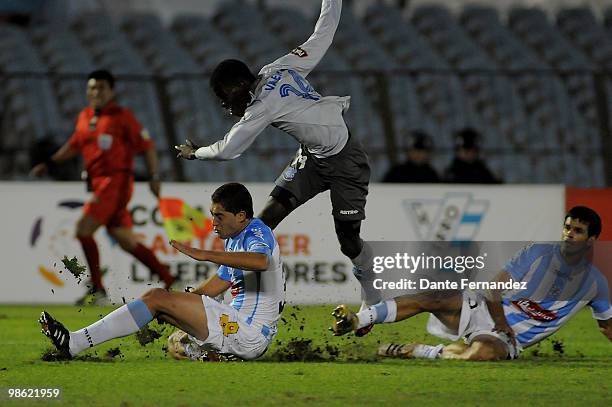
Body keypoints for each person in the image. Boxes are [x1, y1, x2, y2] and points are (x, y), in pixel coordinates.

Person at [176, 0, 378, 334]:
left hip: (346, 162)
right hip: (312, 159)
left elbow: (229, 150)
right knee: (262, 222)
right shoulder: (279, 69)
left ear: (238, 87)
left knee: (349, 241)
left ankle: (371, 296)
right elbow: (322, 35)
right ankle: (261, 295)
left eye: (225, 98)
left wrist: (196, 153)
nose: (227, 106)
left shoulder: (261, 107)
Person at [39, 182, 286, 361]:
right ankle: (214, 357)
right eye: (212, 215)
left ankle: (77, 342)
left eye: (219, 216)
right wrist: (186, 299)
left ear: (241, 216)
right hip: (239, 328)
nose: (213, 223)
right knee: (168, 327)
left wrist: (204, 254)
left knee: (157, 298)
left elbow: (262, 260)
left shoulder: (257, 232)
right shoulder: (235, 239)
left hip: (249, 331)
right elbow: (216, 286)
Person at [331, 206, 612, 360]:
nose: (569, 234)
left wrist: (502, 329)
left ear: (591, 240)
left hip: (505, 338)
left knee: (481, 354)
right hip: (488, 311)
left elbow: (606, 327)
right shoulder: (538, 252)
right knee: (435, 297)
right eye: (567, 228)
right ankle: (358, 319)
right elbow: (493, 289)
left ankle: (418, 350)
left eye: (578, 231)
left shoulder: (596, 285)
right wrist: (500, 321)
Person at [30, 69, 175, 305]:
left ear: (111, 91)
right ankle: (169, 279)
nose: (95, 92)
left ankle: (98, 289)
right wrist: (49, 163)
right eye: (92, 88)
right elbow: (74, 144)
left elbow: (147, 146)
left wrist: (154, 176)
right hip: (98, 184)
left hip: (115, 182)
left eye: (101, 88)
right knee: (126, 240)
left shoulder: (122, 116)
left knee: (83, 229)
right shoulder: (84, 117)